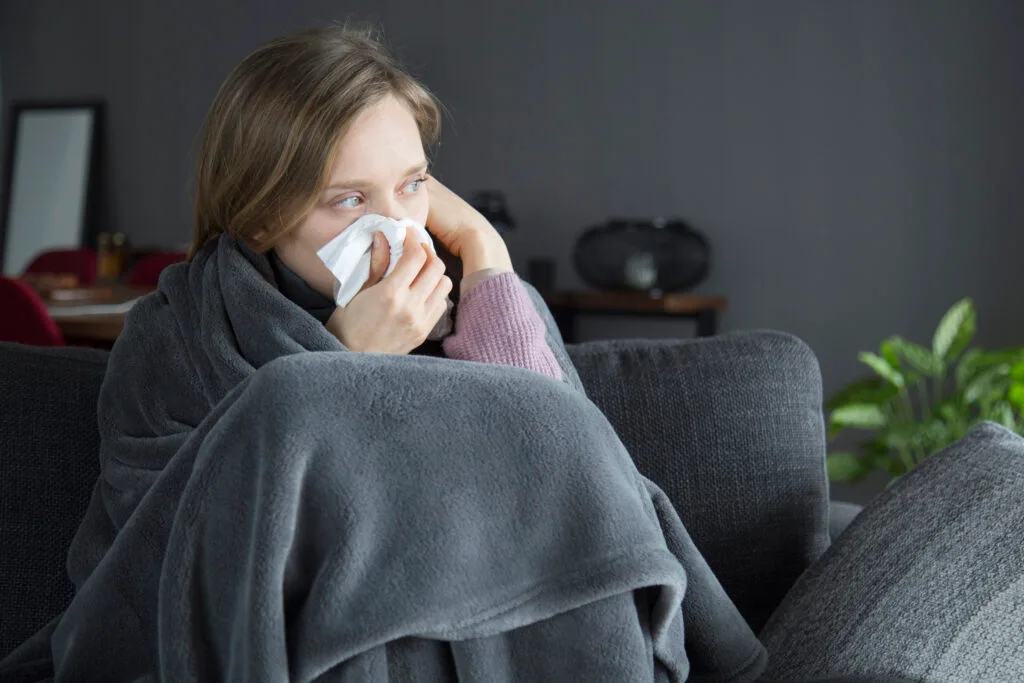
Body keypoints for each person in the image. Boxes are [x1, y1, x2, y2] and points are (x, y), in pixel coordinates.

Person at [7, 23, 767, 683]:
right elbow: (170, 564)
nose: (397, 224)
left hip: (495, 626)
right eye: (349, 199)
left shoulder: (475, 296)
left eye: (412, 185)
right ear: (264, 213)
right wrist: (343, 362)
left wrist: (487, 254)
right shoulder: (177, 335)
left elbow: (576, 488)